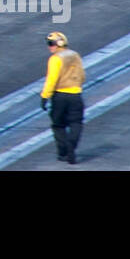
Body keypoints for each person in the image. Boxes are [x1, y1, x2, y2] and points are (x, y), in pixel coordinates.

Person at [39, 30, 85, 164]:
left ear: (58, 44)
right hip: (76, 94)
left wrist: (44, 96)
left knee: (58, 125)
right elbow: (82, 75)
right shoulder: (75, 55)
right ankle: (72, 145)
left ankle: (63, 151)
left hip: (60, 96)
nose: (49, 46)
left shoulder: (55, 59)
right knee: (76, 123)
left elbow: (51, 79)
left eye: (51, 43)